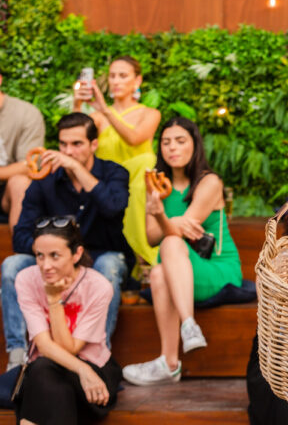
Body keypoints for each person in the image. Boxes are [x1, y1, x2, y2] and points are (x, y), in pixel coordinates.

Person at [2, 113, 131, 371]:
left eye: (77, 144)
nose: (68, 151)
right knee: (12, 265)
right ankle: (18, 356)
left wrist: (78, 170)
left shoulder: (114, 172)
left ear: (94, 144)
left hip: (99, 256)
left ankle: (96, 358)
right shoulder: (45, 180)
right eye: (63, 145)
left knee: (110, 266)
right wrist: (54, 255)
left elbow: (114, 208)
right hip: (56, 260)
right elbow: (21, 236)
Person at [122, 117, 243, 386]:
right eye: (166, 142)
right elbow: (152, 237)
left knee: (171, 243)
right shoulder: (155, 185)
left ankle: (188, 325)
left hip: (215, 267)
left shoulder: (209, 182)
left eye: (180, 141)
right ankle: (170, 362)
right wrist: (167, 221)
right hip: (179, 269)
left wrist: (163, 217)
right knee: (157, 272)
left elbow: (179, 230)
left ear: (194, 145)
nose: (172, 148)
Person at [15, 217, 121, 425]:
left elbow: (69, 347)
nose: (46, 265)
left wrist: (53, 301)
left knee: (44, 379)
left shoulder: (98, 287)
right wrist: (83, 370)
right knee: (46, 373)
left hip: (94, 374)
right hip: (53, 371)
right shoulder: (26, 279)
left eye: (55, 256)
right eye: (40, 256)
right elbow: (44, 346)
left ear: (77, 254)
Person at [74, 56, 162, 270]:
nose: (116, 81)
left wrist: (106, 110)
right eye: (112, 76)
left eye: (123, 75)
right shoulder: (96, 116)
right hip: (107, 185)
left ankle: (144, 256)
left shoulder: (149, 113)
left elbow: (134, 138)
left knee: (146, 162)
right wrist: (77, 103)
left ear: (137, 81)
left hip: (139, 181)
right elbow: (75, 136)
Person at [0, 72, 45, 232]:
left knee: (19, 182)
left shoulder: (26, 113)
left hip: (7, 191)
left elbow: (29, 166)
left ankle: (20, 251)